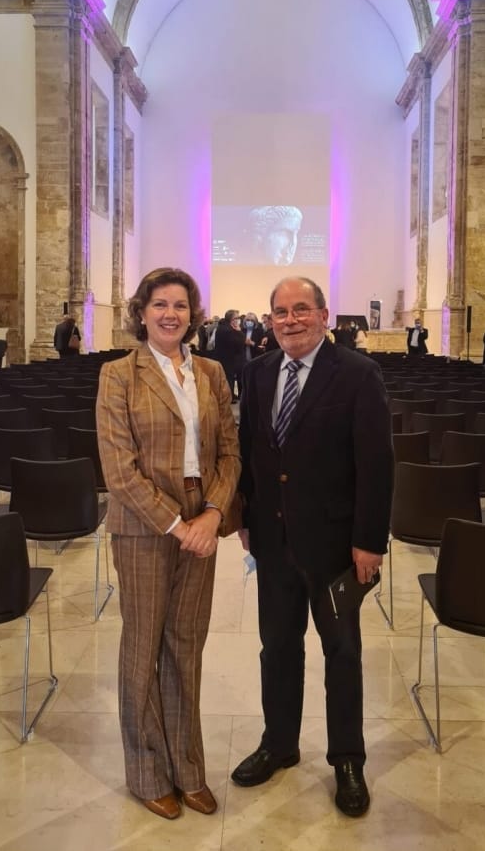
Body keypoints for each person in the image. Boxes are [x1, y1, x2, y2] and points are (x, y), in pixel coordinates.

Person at [231, 276, 393, 817]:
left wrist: (369, 543)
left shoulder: (358, 374)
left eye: (302, 309)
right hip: (274, 545)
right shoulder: (255, 374)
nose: (291, 320)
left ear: (325, 315)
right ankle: (279, 743)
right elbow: (251, 449)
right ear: (269, 319)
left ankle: (347, 758)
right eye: (281, 312)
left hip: (336, 550)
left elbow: (376, 465)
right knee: (277, 648)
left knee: (342, 653)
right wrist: (247, 517)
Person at [96, 267, 240, 821]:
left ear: (193, 314)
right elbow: (119, 469)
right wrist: (177, 526)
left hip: (200, 518)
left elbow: (230, 452)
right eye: (160, 304)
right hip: (143, 527)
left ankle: (188, 767)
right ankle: (148, 771)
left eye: (180, 305)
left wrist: (211, 513)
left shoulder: (210, 370)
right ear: (142, 311)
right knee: (143, 648)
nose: (170, 314)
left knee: (186, 647)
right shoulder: (118, 375)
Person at [211, 309, 246, 400]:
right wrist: (239, 331)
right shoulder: (228, 330)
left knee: (228, 378)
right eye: (236, 318)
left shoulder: (223, 327)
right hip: (228, 359)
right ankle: (229, 397)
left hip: (225, 358)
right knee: (228, 378)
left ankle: (231, 396)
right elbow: (240, 342)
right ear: (231, 319)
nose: (238, 320)